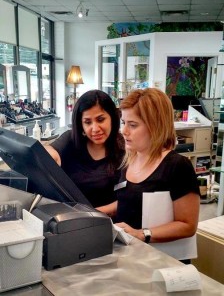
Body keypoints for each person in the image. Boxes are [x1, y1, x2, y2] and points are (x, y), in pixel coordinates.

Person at [97, 87, 200, 263]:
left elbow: (187, 225)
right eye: (124, 123)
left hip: (163, 264)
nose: (124, 131)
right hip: (130, 259)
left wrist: (142, 234)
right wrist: (94, 213)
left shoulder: (177, 167)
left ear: (155, 125)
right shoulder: (130, 159)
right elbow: (131, 199)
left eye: (133, 125)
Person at [45, 89, 124, 208]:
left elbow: (127, 200)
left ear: (112, 118)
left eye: (100, 119)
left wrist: (92, 214)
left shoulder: (124, 148)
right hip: (70, 217)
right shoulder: (70, 140)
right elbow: (50, 153)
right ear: (81, 124)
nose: (95, 128)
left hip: (106, 221)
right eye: (88, 122)